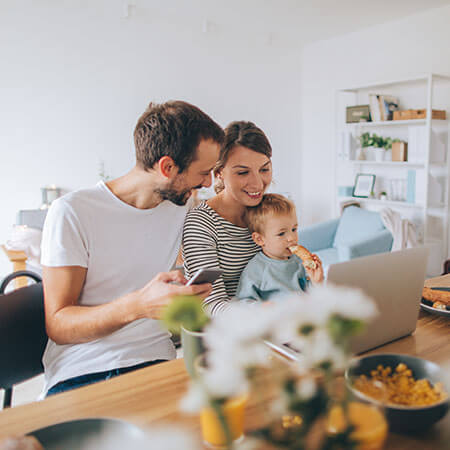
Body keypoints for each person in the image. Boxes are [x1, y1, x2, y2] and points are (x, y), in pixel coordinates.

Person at [41, 100, 224, 395]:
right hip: (85, 370)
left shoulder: (182, 205)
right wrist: (138, 306)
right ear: (167, 167)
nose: (208, 182)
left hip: (157, 362)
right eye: (203, 172)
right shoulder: (73, 211)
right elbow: (58, 325)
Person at [182, 121, 272, 315]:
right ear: (219, 172)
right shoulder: (201, 223)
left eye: (264, 170)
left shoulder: (270, 211)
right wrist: (266, 312)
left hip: (275, 325)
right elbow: (211, 305)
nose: (257, 183)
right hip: (228, 332)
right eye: (243, 172)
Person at [235, 193, 324, 302]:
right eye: (281, 234)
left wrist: (316, 282)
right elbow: (243, 302)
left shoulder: (299, 261)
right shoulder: (256, 269)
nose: (291, 238)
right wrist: (262, 308)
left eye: (294, 229)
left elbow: (312, 296)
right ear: (260, 239)